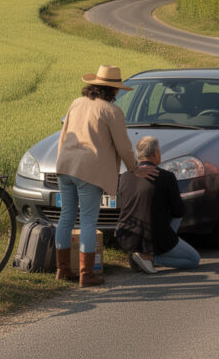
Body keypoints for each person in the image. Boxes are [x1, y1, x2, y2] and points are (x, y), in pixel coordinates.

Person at [55, 65, 156, 286]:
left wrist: (60, 164)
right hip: (89, 171)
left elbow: (63, 135)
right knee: (88, 221)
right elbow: (123, 146)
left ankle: (62, 270)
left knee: (66, 216)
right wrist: (135, 168)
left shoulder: (76, 103)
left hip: (65, 165)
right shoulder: (112, 111)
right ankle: (86, 274)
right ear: (113, 90)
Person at [116, 136, 200, 274]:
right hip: (153, 236)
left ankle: (140, 254)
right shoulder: (166, 177)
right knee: (193, 259)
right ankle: (151, 258)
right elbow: (179, 211)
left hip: (126, 235)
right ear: (155, 154)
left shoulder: (125, 176)